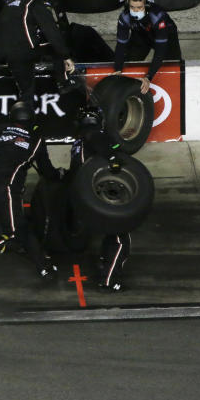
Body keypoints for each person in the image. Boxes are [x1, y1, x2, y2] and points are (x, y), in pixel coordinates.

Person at [0, 100, 60, 282]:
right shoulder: (36, 140)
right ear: (31, 119)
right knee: (14, 233)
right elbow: (48, 172)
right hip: (6, 191)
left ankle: (43, 267)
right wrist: (60, 174)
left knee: (20, 226)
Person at [70, 105, 130, 292]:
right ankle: (109, 280)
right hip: (95, 195)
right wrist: (115, 159)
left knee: (111, 232)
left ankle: (106, 264)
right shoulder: (96, 135)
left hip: (80, 197)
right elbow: (113, 154)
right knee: (121, 238)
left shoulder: (77, 142)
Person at [0, 0, 77, 105]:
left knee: (26, 94)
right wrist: (66, 56)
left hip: (2, 51)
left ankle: (22, 117)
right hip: (23, 50)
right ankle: (64, 83)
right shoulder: (37, 2)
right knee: (56, 45)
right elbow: (52, 32)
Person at [113, 0, 181, 94]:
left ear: (146, 5)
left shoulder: (157, 16)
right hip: (141, 33)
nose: (135, 11)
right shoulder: (124, 17)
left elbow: (160, 51)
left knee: (173, 66)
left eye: (139, 7)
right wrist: (117, 69)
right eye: (132, 7)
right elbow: (121, 45)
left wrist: (148, 77)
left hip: (166, 35)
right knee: (129, 61)